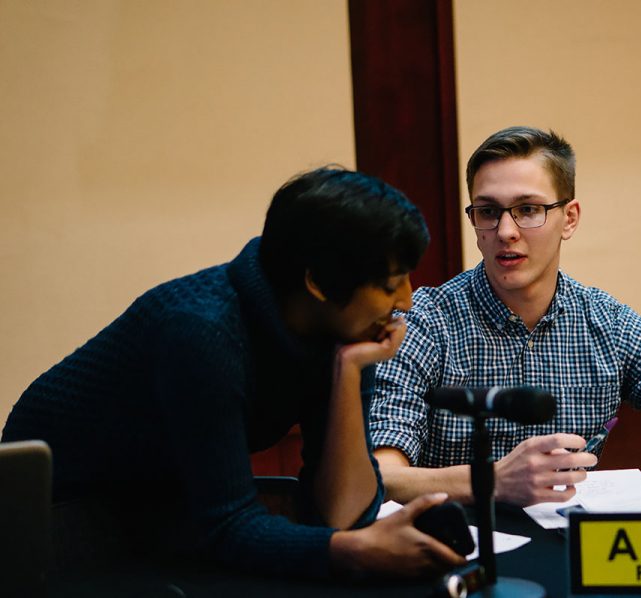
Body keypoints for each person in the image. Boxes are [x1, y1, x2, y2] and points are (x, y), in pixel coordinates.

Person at [1, 167, 465, 578]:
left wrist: (346, 372)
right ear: (318, 283)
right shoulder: (201, 330)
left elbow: (344, 514)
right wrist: (353, 550)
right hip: (60, 515)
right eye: (389, 285)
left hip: (159, 503)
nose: (406, 300)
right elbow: (227, 525)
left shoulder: (341, 331)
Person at [369, 126, 641, 507]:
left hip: (568, 547)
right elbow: (380, 475)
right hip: (457, 551)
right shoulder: (424, 321)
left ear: (571, 218)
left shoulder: (607, 323)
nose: (506, 231)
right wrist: (491, 480)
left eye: (528, 209)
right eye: (488, 212)